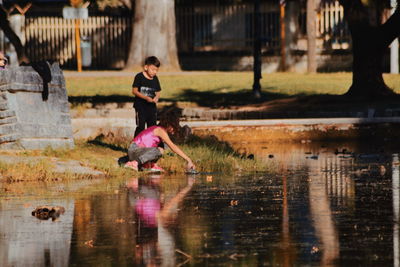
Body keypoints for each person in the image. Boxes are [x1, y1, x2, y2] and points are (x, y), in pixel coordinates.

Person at [124, 115, 195, 172]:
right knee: (160, 150)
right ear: (168, 125)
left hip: (137, 151)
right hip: (134, 150)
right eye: (173, 127)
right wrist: (188, 159)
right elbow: (173, 146)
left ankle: (148, 165)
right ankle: (134, 163)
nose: (174, 129)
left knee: (162, 147)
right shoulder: (160, 131)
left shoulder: (158, 129)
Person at [132, 56, 162, 137]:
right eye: (153, 69)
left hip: (151, 108)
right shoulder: (139, 77)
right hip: (140, 107)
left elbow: (158, 91)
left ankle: (149, 146)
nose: (154, 72)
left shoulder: (155, 78)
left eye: (156, 70)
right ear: (146, 67)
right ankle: (136, 146)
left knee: (152, 127)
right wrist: (145, 98)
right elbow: (134, 91)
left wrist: (156, 97)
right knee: (140, 127)